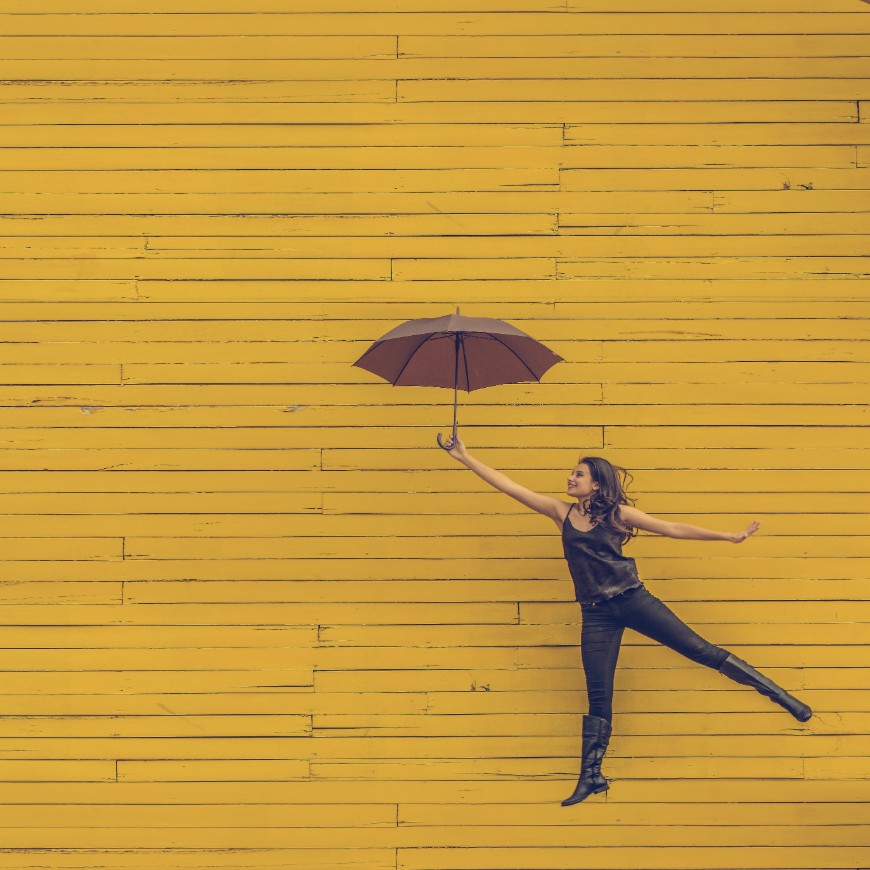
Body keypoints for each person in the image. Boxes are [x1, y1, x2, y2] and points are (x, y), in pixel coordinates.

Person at [441, 434, 812, 807]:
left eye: (578, 474)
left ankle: (782, 697)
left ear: (596, 483)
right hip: (596, 613)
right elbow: (509, 486)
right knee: (598, 695)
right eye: (572, 474)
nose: (570, 479)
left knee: (700, 650)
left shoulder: (617, 513)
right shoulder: (560, 512)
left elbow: (671, 528)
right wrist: (464, 457)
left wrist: (729, 536)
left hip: (633, 600)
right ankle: (591, 776)